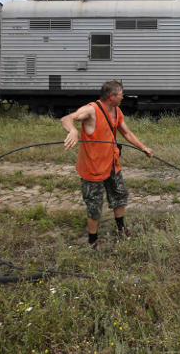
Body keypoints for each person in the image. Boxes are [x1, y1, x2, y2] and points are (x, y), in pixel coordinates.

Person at [60, 81, 153, 250]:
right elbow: (67, 118)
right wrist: (73, 130)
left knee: (120, 195)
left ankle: (121, 229)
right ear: (112, 96)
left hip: (112, 164)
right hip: (93, 168)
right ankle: (93, 240)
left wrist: (143, 147)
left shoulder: (116, 111)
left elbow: (126, 132)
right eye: (121, 95)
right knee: (94, 205)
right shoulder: (91, 110)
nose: (123, 97)